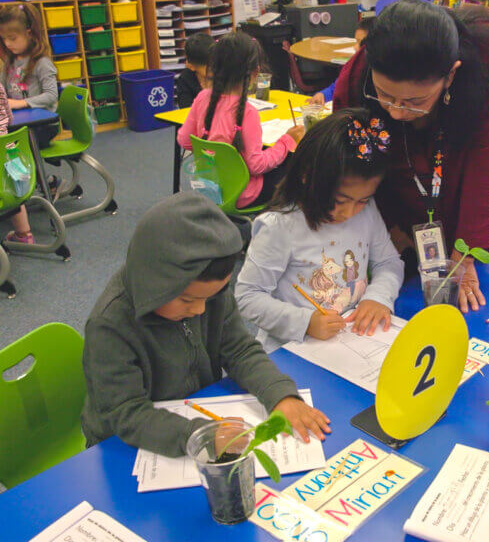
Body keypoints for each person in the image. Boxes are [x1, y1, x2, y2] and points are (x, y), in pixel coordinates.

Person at [81, 192, 331, 457]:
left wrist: (279, 394)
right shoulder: (110, 327)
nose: (200, 309)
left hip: (193, 409)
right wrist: (197, 435)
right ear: (155, 283)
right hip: (123, 447)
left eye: (210, 297)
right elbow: (125, 413)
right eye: (187, 299)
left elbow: (240, 350)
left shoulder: (207, 293)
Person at [333, 0, 489, 314]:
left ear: (450, 76)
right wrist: (385, 227)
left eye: (413, 101)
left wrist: (466, 254)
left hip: (459, 176)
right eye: (385, 95)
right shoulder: (358, 76)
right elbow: (351, 164)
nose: (395, 110)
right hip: (394, 181)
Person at [235, 108, 404, 353]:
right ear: (307, 176)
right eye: (339, 200)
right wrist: (304, 322)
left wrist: (377, 297)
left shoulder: (366, 212)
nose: (349, 212)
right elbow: (248, 296)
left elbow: (388, 262)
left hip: (348, 345)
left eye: (362, 200)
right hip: (292, 351)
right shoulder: (280, 227)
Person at [177, 32, 304, 209]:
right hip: (244, 195)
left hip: (210, 187)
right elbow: (256, 166)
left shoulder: (202, 98)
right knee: (294, 162)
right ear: (255, 72)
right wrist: (287, 141)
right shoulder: (247, 112)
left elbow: (184, 140)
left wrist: (215, 153)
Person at [0, 3, 59, 245]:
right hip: (19, 125)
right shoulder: (11, 61)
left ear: (30, 34)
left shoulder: (42, 62)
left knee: (11, 158)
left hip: (42, 126)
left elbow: (51, 96)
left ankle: (22, 195)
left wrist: (19, 104)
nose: (7, 43)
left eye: (12, 38)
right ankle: (32, 189)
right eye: (3, 39)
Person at [309, 17, 374, 106]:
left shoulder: (376, 74)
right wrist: (323, 94)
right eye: (356, 41)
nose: (355, 47)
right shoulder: (354, 69)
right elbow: (338, 86)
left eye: (360, 43)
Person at [176, 32, 214, 108]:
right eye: (208, 68)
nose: (214, 69)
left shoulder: (225, 72)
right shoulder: (185, 80)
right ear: (191, 66)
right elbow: (185, 110)